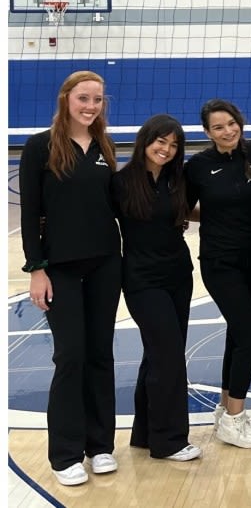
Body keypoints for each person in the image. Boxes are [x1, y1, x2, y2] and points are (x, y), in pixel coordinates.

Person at [20, 71, 121, 486]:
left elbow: (117, 202)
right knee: (70, 356)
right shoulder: (40, 146)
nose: (91, 106)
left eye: (97, 99)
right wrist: (36, 269)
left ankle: (100, 446)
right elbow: (29, 214)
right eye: (83, 98)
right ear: (66, 98)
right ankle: (65, 454)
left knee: (101, 354)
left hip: (105, 263)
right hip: (60, 266)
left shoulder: (104, 145)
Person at [113, 115, 201, 463]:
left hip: (179, 275)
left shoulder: (178, 180)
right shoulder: (120, 183)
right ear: (145, 140)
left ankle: (145, 433)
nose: (165, 149)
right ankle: (170, 442)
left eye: (174, 144)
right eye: (160, 141)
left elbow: (192, 212)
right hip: (141, 280)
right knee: (168, 356)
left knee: (159, 354)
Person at [186, 99, 251, 449]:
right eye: (218, 127)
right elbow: (180, 208)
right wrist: (214, 219)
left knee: (238, 335)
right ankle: (236, 417)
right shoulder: (198, 166)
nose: (227, 131)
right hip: (220, 262)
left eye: (231, 123)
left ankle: (224, 411)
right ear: (208, 133)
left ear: (240, 122)